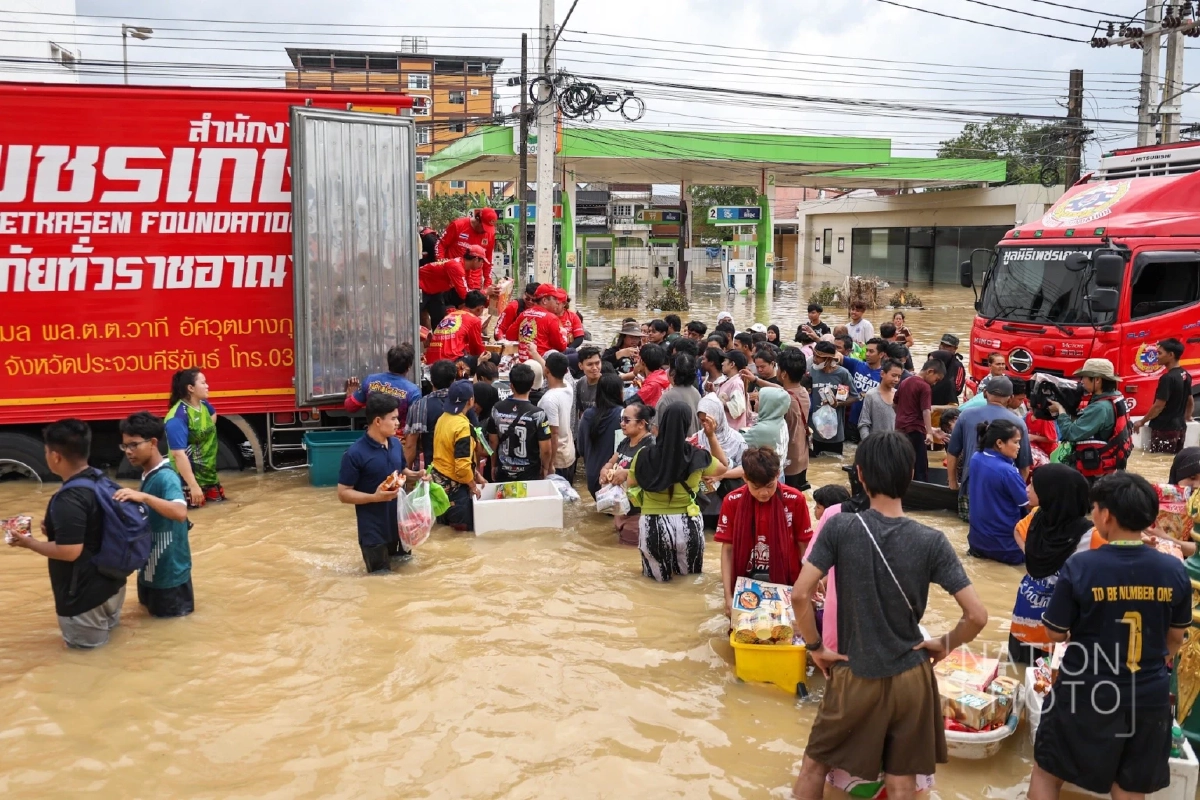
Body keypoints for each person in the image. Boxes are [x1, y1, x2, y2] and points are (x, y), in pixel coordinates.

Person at [791, 431, 988, 800]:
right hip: (912, 676)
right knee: (902, 782)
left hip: (855, 671)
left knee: (814, 765)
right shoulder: (932, 541)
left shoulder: (839, 527)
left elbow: (801, 595)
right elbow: (976, 616)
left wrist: (816, 647)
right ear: (911, 472)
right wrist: (943, 645)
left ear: (861, 475)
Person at [1029, 472, 1190, 800]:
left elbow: (1055, 632)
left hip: (1084, 689)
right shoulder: (1174, 569)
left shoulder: (1081, 566)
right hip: (1147, 696)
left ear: (1106, 515)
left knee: (1048, 773)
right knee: (1129, 789)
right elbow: (1176, 638)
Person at [7, 419, 129, 648]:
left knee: (85, 664)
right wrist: (55, 528)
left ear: (55, 456)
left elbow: (69, 552)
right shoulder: (102, 480)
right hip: (113, 586)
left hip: (84, 598)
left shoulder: (68, 498)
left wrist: (29, 542)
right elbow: (97, 525)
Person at [628, 404, 726, 582]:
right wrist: (711, 436)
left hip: (653, 524)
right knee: (689, 583)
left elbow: (631, 483)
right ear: (687, 425)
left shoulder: (643, 455)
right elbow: (723, 466)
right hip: (688, 523)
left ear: (662, 423)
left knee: (655, 585)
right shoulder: (698, 456)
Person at [1008, 464, 1092, 665]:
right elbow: (1018, 531)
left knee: (1047, 680)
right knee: (1019, 676)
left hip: (1056, 628)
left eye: (1034, 486)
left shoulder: (1088, 535)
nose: (1027, 488)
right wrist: (1032, 556)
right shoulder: (1038, 516)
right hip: (1025, 617)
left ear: (1052, 494)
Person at [715, 447, 813, 614]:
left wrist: (806, 590)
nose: (764, 493)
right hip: (745, 583)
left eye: (769, 485)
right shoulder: (732, 501)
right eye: (756, 486)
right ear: (745, 478)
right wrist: (728, 596)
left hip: (788, 582)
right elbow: (727, 551)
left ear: (777, 475)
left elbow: (805, 546)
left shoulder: (795, 499)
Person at [116, 412, 193, 619]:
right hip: (150, 572)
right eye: (125, 446)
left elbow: (180, 512)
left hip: (170, 578)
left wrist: (144, 497)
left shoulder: (166, 477)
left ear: (152, 443)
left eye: (134, 445)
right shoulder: (148, 474)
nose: (128, 452)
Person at [337, 394, 418, 574]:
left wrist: (417, 475)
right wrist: (374, 497)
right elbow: (343, 493)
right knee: (381, 583)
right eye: (394, 418)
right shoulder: (354, 454)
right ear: (378, 421)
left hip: (399, 527)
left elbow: (401, 471)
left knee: (408, 575)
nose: (398, 423)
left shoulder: (396, 444)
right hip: (373, 532)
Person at [947, 377, 1033, 515]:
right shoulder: (1018, 423)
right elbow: (1024, 466)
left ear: (985, 393)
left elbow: (952, 452)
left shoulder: (966, 415)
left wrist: (952, 482)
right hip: (1002, 491)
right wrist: (1014, 489)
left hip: (971, 486)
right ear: (1010, 398)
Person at [1048, 358, 1134, 481]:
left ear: (1097, 380)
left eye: (1084, 377)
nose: (1082, 381)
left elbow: (1071, 433)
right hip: (1107, 470)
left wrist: (1060, 410)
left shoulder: (1100, 407)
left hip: (1095, 474)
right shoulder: (1114, 397)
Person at [966, 418, 1029, 565]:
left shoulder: (976, 458)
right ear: (999, 443)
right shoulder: (1008, 472)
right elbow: (1028, 504)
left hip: (977, 542)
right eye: (1015, 442)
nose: (1019, 447)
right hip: (1007, 548)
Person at [431, 380, 486, 532]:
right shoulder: (462, 427)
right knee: (462, 540)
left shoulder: (443, 418)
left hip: (439, 490)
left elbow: (449, 456)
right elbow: (461, 467)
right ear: (471, 401)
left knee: (444, 536)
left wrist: (475, 474)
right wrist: (473, 486)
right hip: (456, 495)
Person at [165, 368, 224, 508]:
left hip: (209, 476)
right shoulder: (177, 418)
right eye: (203, 383)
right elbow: (178, 454)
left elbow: (212, 419)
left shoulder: (204, 406)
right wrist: (193, 486)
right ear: (191, 388)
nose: (207, 386)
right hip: (189, 483)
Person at [598, 403, 655, 546]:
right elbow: (611, 462)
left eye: (627, 420)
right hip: (621, 510)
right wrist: (604, 470)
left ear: (641, 424)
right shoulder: (625, 442)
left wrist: (628, 473)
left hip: (638, 515)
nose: (622, 424)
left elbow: (655, 474)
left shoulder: (651, 446)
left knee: (627, 555)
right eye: (622, 420)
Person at [487, 363, 552, 482]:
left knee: (505, 500)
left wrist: (493, 465)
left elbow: (492, 442)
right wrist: (545, 467)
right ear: (532, 384)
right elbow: (546, 449)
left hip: (504, 471)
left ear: (511, 385)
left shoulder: (496, 409)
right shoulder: (538, 414)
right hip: (529, 473)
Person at [691, 392, 746, 528]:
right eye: (701, 420)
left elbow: (745, 468)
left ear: (719, 416)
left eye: (708, 420)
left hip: (726, 503)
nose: (705, 425)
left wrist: (721, 475)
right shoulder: (696, 438)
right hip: (703, 504)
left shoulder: (737, 439)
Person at [1134, 338, 1194, 455]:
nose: (1157, 356)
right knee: (1172, 462)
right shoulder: (1186, 375)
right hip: (1180, 428)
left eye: (1159, 353)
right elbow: (1190, 400)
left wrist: (1141, 422)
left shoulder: (1167, 378)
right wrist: (1187, 417)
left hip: (1164, 429)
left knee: (1159, 461)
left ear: (1171, 355)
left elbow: (1158, 406)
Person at [892, 359, 947, 483]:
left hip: (900, 429)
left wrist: (902, 417)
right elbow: (926, 411)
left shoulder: (905, 381)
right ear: (930, 371)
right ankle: (920, 492)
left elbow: (894, 404)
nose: (935, 383)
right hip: (916, 431)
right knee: (920, 465)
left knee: (903, 462)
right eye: (936, 379)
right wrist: (929, 432)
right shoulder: (925, 386)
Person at [404, 359, 460, 469]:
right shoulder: (464, 403)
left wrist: (407, 476)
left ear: (431, 380)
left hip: (433, 473)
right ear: (454, 380)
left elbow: (410, 445)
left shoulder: (420, 405)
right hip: (461, 471)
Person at [578, 374, 626, 499]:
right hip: (613, 479)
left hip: (593, 481)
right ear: (619, 392)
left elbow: (581, 449)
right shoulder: (623, 416)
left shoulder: (587, 415)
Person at [344, 343, 421, 421]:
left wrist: (350, 394)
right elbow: (415, 424)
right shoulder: (413, 391)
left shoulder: (370, 380)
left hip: (374, 432)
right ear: (409, 367)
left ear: (388, 362)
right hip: (399, 433)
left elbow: (350, 407)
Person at [808, 341, 857, 456]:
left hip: (835, 433)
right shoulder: (811, 371)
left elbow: (855, 397)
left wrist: (837, 404)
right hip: (814, 431)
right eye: (814, 355)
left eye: (819, 357)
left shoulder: (842, 374)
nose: (815, 359)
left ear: (829, 359)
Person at [418, 247, 484, 328]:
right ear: (476, 259)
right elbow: (465, 295)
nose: (482, 265)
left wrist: (481, 295)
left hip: (434, 290)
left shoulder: (466, 268)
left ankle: (438, 339)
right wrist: (485, 292)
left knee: (440, 320)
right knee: (413, 316)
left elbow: (471, 288)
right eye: (482, 261)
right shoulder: (457, 267)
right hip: (420, 286)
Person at [504, 284, 568, 363]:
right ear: (544, 301)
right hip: (541, 363)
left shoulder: (524, 314)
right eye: (555, 299)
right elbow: (561, 347)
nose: (557, 302)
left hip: (523, 361)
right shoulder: (551, 318)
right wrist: (564, 333)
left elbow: (509, 336)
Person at [436, 207, 498, 289]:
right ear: (478, 219)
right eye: (484, 227)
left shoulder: (489, 235)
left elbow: (488, 259)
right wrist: (441, 266)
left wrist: (487, 284)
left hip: (474, 282)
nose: (485, 231)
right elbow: (440, 245)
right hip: (453, 279)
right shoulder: (458, 225)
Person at [777, 348, 811, 492]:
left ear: (784, 374)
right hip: (802, 457)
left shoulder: (783, 399)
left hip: (788, 462)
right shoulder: (803, 391)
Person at [539, 351, 576, 481]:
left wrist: (549, 465)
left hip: (557, 460)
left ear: (546, 370)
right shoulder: (568, 386)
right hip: (569, 453)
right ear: (566, 371)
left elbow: (553, 434)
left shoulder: (549, 399)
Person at [424, 290, 489, 364]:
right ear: (480, 308)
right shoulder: (474, 319)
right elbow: (477, 350)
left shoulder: (450, 315)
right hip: (450, 362)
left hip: (431, 360)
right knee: (491, 358)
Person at [739, 386, 791, 470]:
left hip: (764, 478)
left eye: (759, 400)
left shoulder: (762, 430)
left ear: (768, 405)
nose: (755, 402)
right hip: (778, 472)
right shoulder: (780, 420)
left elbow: (736, 443)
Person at [844, 337, 886, 438]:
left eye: (871, 351)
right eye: (866, 350)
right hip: (852, 420)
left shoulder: (884, 375)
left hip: (871, 424)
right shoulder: (856, 364)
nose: (867, 354)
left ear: (881, 354)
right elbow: (837, 356)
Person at [655, 353, 701, 435]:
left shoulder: (667, 397)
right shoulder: (696, 393)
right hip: (695, 445)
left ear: (673, 372)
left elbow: (657, 430)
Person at [858, 357, 903, 440]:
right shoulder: (871, 395)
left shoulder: (899, 395)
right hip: (875, 444)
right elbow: (864, 423)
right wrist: (867, 443)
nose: (896, 380)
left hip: (894, 444)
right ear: (882, 374)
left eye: (899, 376)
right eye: (893, 375)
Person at [718, 349, 752, 431]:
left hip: (732, 431)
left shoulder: (736, 383)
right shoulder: (731, 381)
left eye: (725, 361)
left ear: (732, 364)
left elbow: (737, 409)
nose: (722, 363)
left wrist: (720, 401)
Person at [929, 334, 966, 406]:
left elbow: (958, 389)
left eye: (947, 346)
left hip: (947, 402)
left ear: (955, 348)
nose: (943, 347)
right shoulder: (932, 360)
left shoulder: (958, 366)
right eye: (942, 344)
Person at [633, 343, 670, 407]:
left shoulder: (651, 386)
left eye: (638, 358)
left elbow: (627, 403)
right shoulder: (664, 376)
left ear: (642, 362)